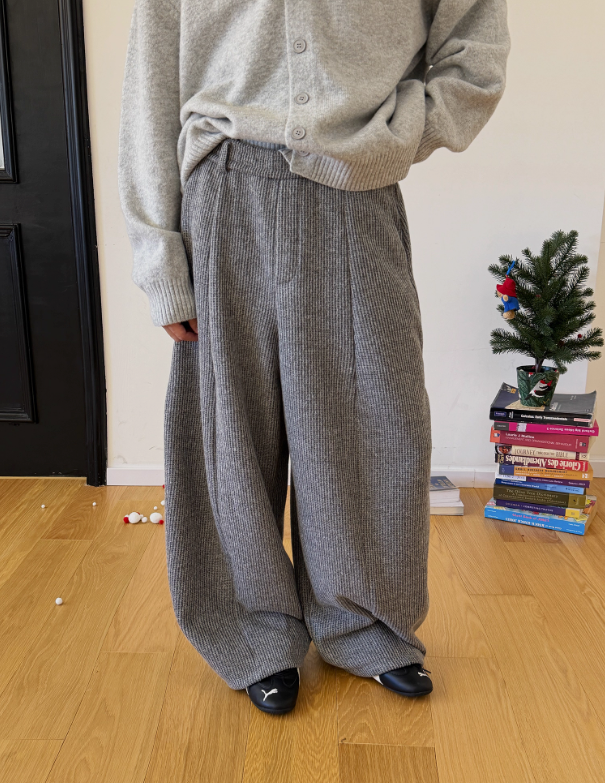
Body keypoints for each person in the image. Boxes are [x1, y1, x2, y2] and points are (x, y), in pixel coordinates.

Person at [118, 0, 510, 715]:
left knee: (372, 421)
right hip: (222, 192)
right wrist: (159, 258)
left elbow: (473, 54)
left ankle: (364, 624)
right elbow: (150, 86)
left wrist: (395, 134)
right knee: (232, 434)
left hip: (356, 192)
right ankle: (252, 632)